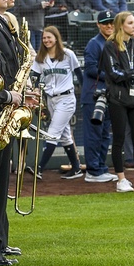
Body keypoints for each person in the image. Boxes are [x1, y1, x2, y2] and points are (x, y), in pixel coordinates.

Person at [101, 12, 134, 192]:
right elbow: (114, 74)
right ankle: (121, 180)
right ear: (121, 25)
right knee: (119, 139)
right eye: (131, 23)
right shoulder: (110, 46)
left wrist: (132, 75)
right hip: (118, 99)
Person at [33, 26, 83, 179]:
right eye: (44, 38)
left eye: (49, 37)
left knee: (52, 134)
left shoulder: (68, 54)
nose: (46, 40)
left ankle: (39, 169)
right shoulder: (40, 57)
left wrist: (86, 95)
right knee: (65, 135)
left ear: (56, 38)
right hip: (50, 99)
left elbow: (80, 75)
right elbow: (35, 78)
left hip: (66, 98)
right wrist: (36, 93)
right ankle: (76, 168)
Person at [81, 11, 117, 183]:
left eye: (111, 22)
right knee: (94, 134)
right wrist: (113, 75)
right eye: (105, 23)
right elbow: (90, 69)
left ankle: (101, 168)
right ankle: (93, 171)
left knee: (104, 135)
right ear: (98, 25)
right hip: (93, 96)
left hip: (107, 95)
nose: (109, 25)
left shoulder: (113, 42)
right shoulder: (94, 43)